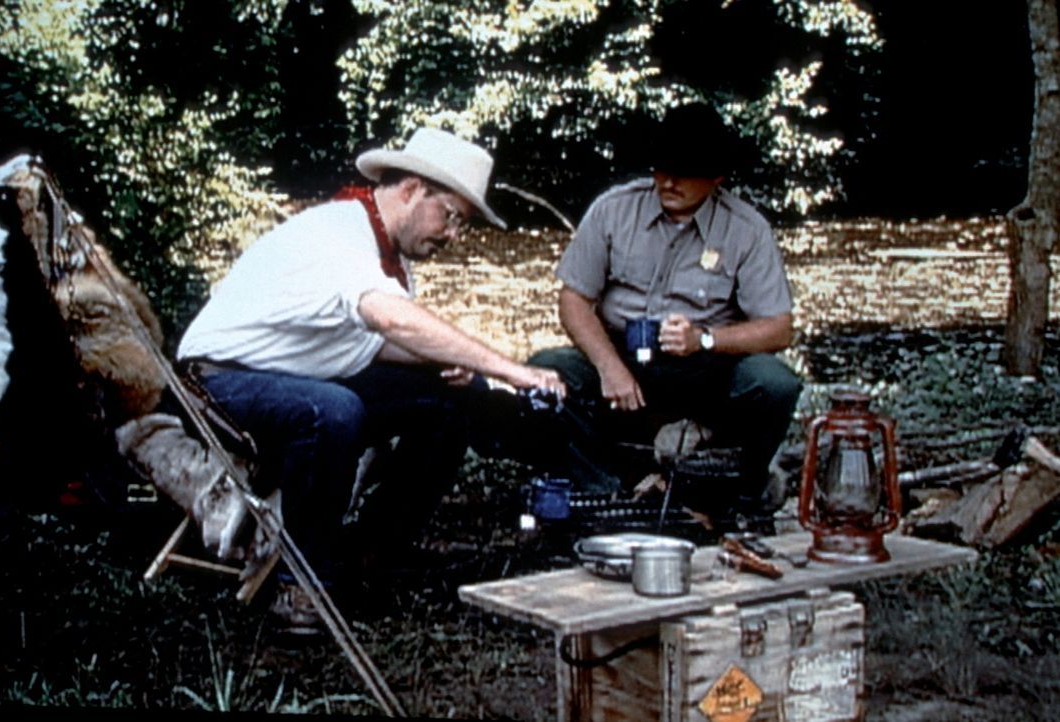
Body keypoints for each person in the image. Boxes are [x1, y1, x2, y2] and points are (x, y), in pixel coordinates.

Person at [176, 127, 565, 626]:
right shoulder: (339, 232)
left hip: (290, 377)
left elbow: (370, 341)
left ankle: (371, 552)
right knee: (333, 411)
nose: (452, 236)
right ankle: (301, 589)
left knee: (450, 399)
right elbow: (391, 319)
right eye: (450, 216)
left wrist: (448, 362)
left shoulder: (389, 255)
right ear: (410, 190)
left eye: (461, 225)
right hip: (216, 383)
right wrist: (515, 369)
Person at [529, 103, 801, 518]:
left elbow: (779, 329)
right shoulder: (615, 209)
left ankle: (740, 497)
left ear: (716, 179)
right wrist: (608, 366)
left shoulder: (746, 229)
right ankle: (608, 494)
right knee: (548, 370)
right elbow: (573, 299)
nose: (669, 181)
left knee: (774, 383)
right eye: (662, 168)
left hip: (706, 370)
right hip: (623, 360)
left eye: (685, 171)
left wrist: (705, 338)